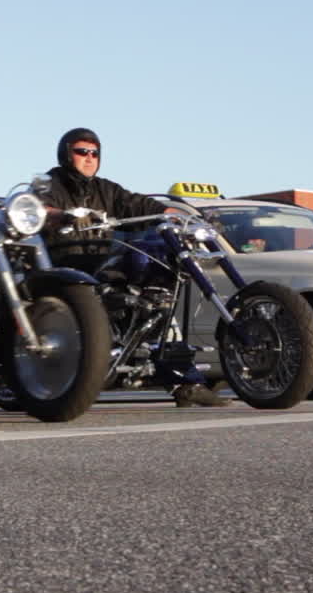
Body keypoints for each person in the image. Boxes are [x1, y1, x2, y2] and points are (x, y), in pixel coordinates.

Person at [39, 127, 228, 408]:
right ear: (66, 155)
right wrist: (62, 216)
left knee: (159, 301)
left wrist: (180, 218)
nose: (89, 158)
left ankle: (185, 383)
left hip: (103, 263)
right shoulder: (49, 185)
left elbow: (141, 205)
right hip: (66, 266)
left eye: (95, 153)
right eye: (81, 152)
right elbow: (39, 209)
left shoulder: (107, 189)